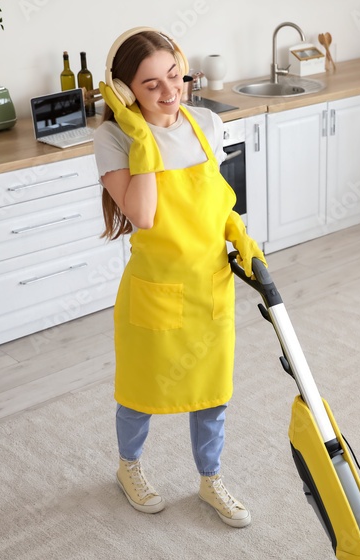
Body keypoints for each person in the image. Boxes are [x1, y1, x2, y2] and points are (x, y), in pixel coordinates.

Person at [93, 28, 265, 528]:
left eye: (174, 75)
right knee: (140, 394)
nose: (170, 92)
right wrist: (143, 139)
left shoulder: (206, 121)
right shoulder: (114, 137)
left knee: (213, 392)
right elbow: (143, 215)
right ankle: (130, 469)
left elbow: (218, 199)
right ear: (125, 93)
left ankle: (210, 480)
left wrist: (238, 233)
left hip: (209, 284)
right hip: (156, 290)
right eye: (150, 86)